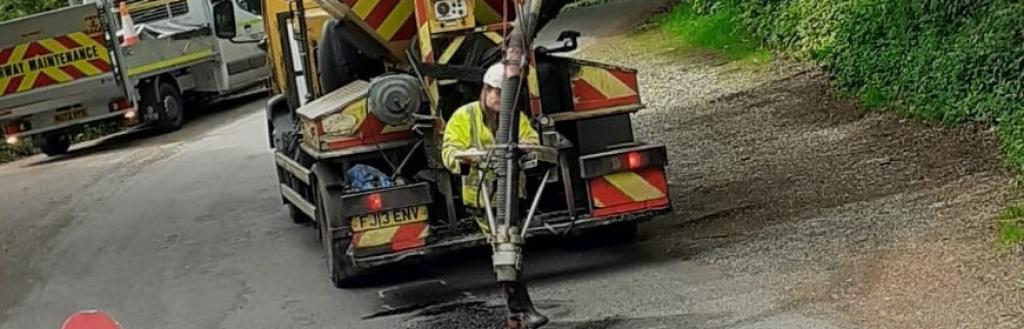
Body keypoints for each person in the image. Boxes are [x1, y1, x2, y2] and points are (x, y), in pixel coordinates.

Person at [441, 63, 539, 228]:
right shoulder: (464, 116)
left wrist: (526, 146)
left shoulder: (516, 117)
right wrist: (465, 157)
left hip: (513, 198)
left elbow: (532, 142)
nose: (505, 100)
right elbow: (449, 152)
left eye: (509, 95)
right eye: (500, 93)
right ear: (486, 90)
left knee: (513, 245)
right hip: (480, 202)